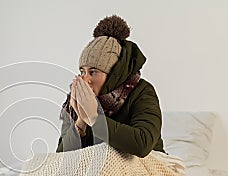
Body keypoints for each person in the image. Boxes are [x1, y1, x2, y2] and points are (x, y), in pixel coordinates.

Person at [56, 15, 165, 157]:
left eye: (93, 72)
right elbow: (60, 157)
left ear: (113, 74)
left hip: (145, 166)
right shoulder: (76, 100)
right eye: (82, 71)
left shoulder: (142, 91)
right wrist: (81, 122)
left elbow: (142, 144)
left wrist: (94, 118)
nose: (85, 79)